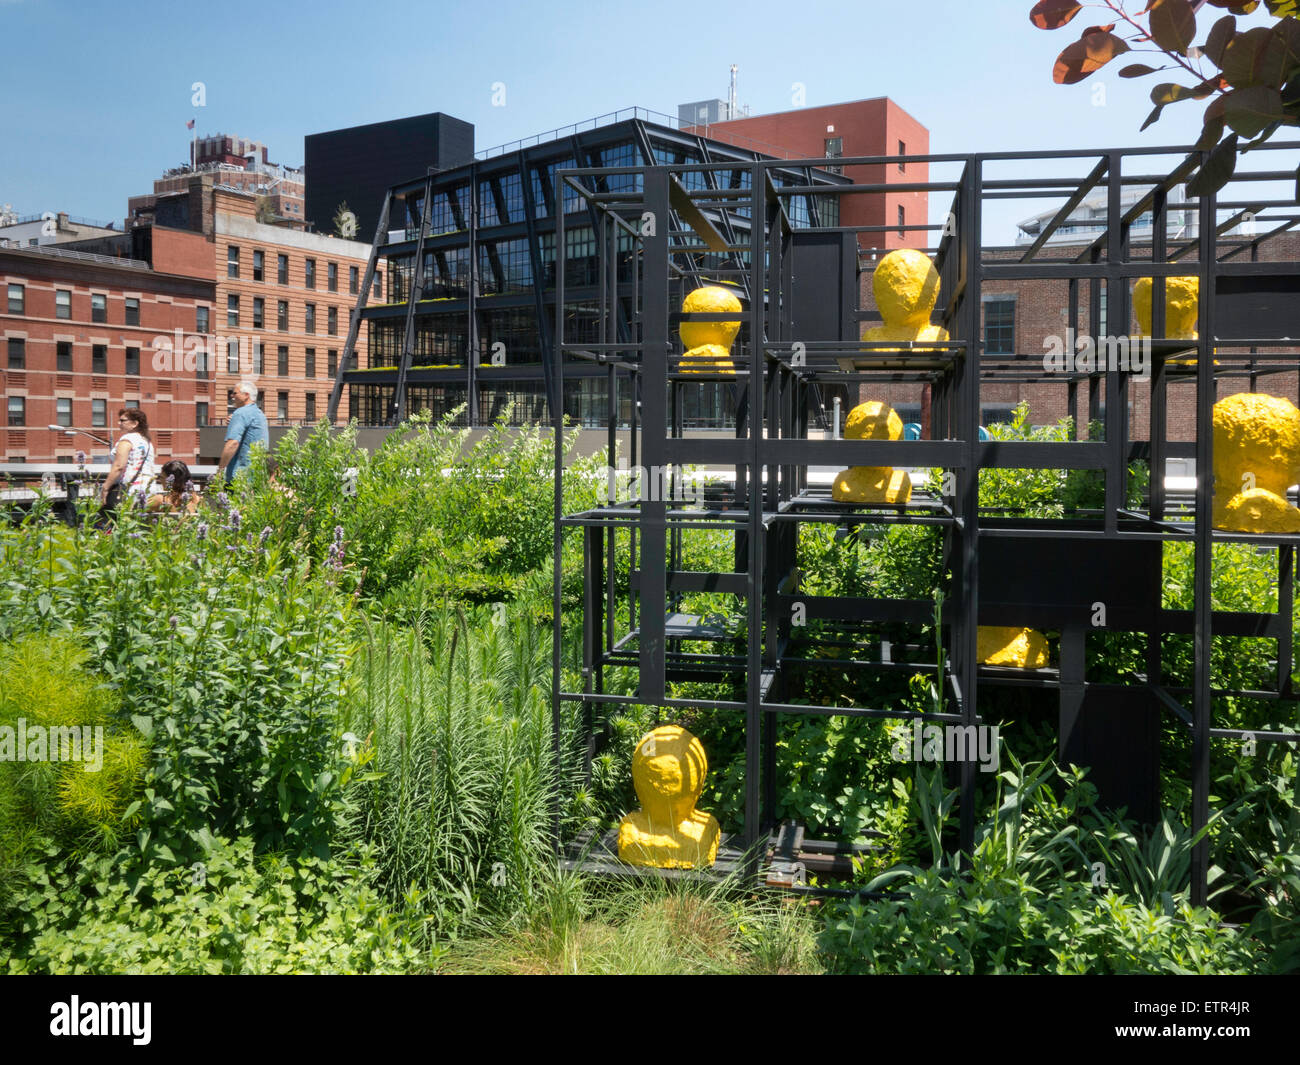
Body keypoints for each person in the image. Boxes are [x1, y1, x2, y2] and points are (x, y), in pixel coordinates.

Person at [99, 408, 156, 520]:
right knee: (139, 524)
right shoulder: (146, 442)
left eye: (122, 420)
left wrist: (105, 488)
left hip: (130, 490)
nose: (118, 423)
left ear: (135, 423)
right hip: (149, 489)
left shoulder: (127, 440)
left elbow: (119, 466)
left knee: (121, 523)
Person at [220, 380, 269, 484]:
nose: (232, 396)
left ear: (246, 395)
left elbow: (233, 444)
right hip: (258, 476)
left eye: (235, 393)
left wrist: (219, 471)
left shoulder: (240, 413)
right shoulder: (260, 414)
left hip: (240, 479)